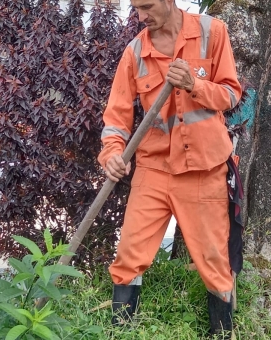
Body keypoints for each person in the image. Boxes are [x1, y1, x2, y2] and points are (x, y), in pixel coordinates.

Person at [98, 0, 242, 338]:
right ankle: (122, 332)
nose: (140, 16)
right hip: (153, 168)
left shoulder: (212, 32)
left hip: (204, 168)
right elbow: (116, 117)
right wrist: (113, 153)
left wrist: (195, 84)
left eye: (146, 7)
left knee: (214, 260)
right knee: (129, 254)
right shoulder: (135, 53)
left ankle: (222, 333)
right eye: (135, 8)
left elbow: (232, 94)